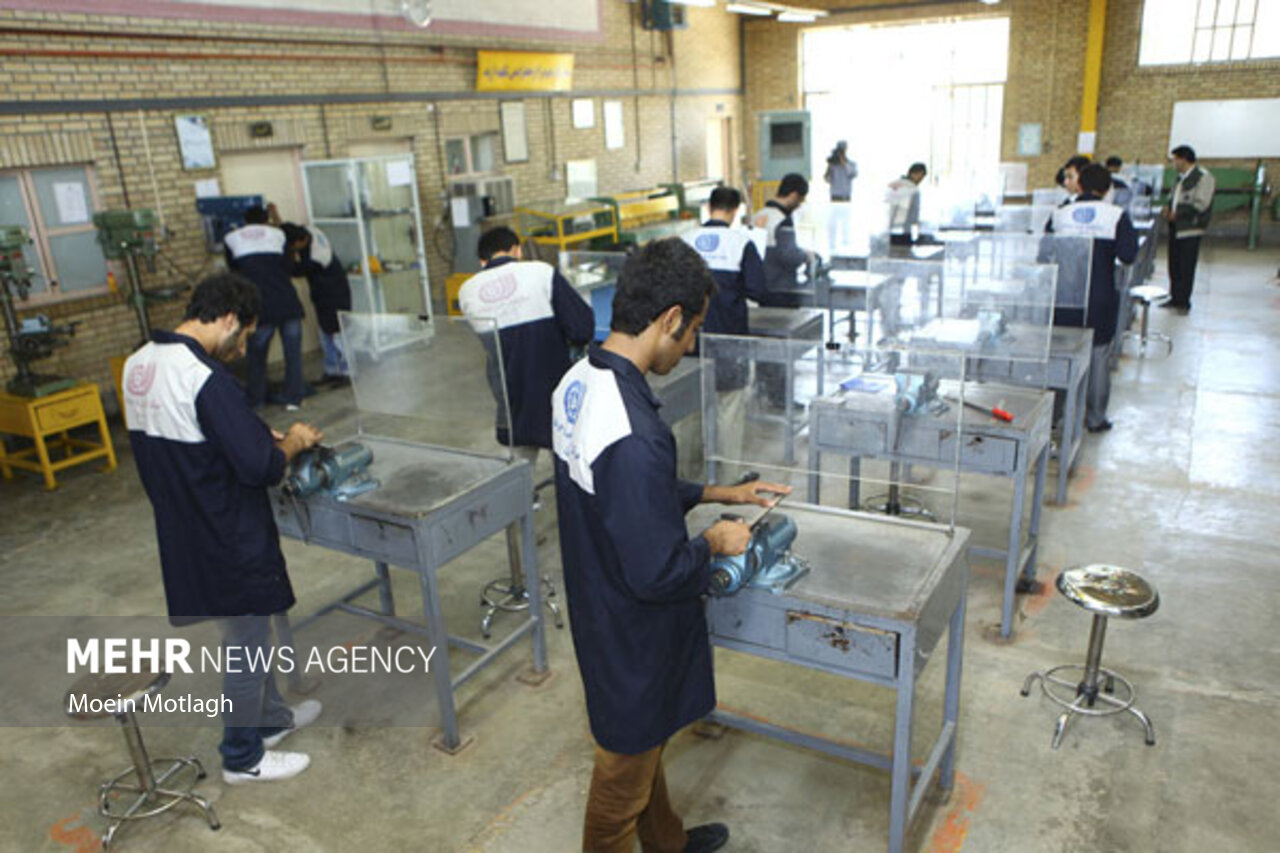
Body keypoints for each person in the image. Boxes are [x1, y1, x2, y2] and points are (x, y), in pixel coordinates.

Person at [551, 238, 791, 853]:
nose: (689, 347)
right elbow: (658, 570)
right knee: (619, 788)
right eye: (691, 333)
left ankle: (669, 845)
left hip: (597, 601)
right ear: (669, 320)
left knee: (643, 744)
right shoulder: (633, 431)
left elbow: (624, 494)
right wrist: (715, 540)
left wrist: (719, 493)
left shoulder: (579, 380)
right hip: (632, 628)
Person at [122, 272, 324, 785]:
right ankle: (242, 756)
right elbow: (262, 469)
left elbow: (187, 438)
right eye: (245, 336)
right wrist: (293, 441)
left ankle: (272, 720)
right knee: (248, 639)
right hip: (226, 530)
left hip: (183, 525)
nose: (241, 349)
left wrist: (250, 433)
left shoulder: (138, 364)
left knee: (245, 630)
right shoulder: (206, 379)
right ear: (230, 319)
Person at [459, 226, 594, 463]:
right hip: (553, 389)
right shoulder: (541, 273)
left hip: (510, 397)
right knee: (567, 460)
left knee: (521, 464)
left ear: (482, 261)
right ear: (517, 250)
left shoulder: (467, 291)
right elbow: (582, 328)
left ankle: (526, 499)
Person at [1046, 164, 1138, 433]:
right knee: (1098, 358)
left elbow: (1044, 252)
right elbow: (1128, 255)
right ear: (1108, 188)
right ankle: (1095, 418)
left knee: (1059, 358)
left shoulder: (1061, 214)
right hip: (1100, 299)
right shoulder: (1115, 216)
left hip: (1064, 299)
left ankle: (1053, 417)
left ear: (1080, 185)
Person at [224, 204, 307, 410]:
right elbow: (289, 267)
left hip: (260, 308)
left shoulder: (232, 238)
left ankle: (256, 400)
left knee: (257, 356)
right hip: (288, 303)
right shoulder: (278, 235)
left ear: (245, 221)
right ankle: (294, 399)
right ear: (266, 220)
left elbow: (234, 271)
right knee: (293, 354)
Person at [282, 223, 352, 386]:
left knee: (338, 334)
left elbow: (295, 270)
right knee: (324, 333)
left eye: (293, 248)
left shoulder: (317, 257)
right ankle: (332, 370)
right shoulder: (309, 230)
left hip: (335, 294)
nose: (294, 251)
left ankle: (348, 373)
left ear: (300, 241)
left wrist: (282, 261)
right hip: (323, 294)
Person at [1163, 144, 1215, 313]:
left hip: (1190, 228)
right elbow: (1174, 197)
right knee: (1175, 264)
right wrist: (1168, 208)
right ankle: (1175, 297)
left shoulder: (1203, 177)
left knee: (1186, 266)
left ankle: (1184, 301)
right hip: (1175, 228)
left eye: (1175, 159)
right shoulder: (1180, 177)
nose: (1174, 163)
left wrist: (1177, 214)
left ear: (1184, 159)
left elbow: (1201, 204)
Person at [752, 172, 811, 308]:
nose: (799, 205)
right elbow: (788, 256)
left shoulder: (759, 215)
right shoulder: (783, 220)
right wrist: (806, 255)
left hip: (762, 288)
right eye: (800, 200)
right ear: (793, 195)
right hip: (781, 289)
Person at [886, 162, 928, 244]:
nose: (921, 180)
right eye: (921, 176)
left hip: (891, 231)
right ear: (915, 173)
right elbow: (914, 216)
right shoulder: (913, 190)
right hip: (905, 232)